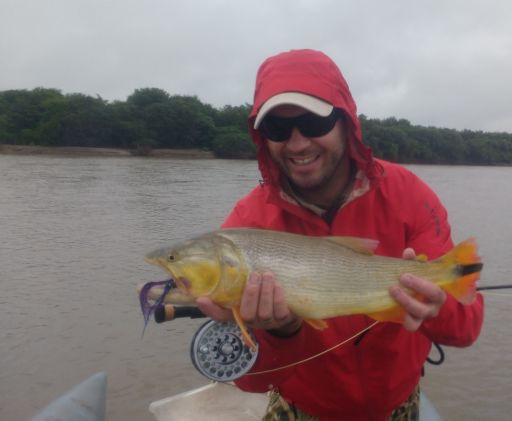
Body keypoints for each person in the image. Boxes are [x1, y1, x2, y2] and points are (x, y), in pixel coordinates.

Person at [196, 49, 484, 421]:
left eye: (314, 122)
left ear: (346, 121)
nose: (298, 143)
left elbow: (467, 328)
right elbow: (249, 381)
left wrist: (438, 308)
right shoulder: (245, 226)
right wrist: (283, 333)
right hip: (306, 411)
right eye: (278, 129)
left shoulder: (408, 195)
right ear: (262, 137)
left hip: (398, 407)